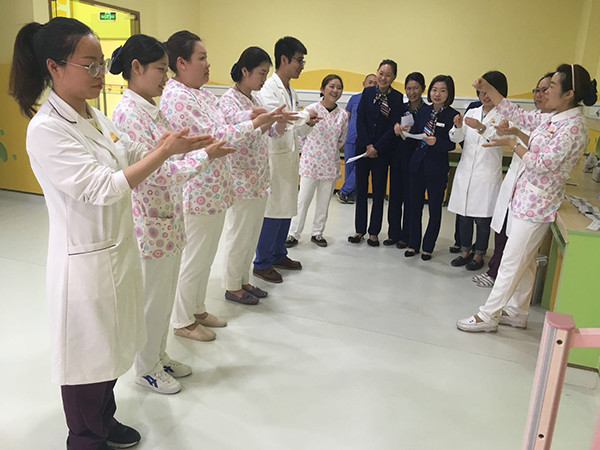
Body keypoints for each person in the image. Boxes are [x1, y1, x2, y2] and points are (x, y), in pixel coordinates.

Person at [10, 17, 211, 450]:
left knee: (111, 349)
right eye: (90, 65)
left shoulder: (93, 115)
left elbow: (125, 150)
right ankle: (85, 437)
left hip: (115, 250)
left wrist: (171, 147)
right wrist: (163, 153)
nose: (101, 73)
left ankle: (105, 418)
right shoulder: (46, 129)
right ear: (54, 67)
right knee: (86, 358)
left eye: (101, 63)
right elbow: (102, 187)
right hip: (82, 262)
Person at [111, 35, 233, 394]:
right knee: (151, 298)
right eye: (161, 69)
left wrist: (191, 149)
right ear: (136, 68)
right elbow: (157, 171)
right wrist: (204, 156)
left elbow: (169, 154)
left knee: (163, 296)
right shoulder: (128, 114)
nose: (166, 77)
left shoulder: (152, 108)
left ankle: (158, 355)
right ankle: (145, 367)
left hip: (167, 215)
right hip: (149, 220)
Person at [457, 64, 597, 332]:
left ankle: (488, 316)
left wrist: (513, 144)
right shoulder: (554, 118)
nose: (545, 92)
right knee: (526, 260)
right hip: (524, 198)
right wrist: (490, 90)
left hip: (538, 204)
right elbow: (518, 115)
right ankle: (517, 312)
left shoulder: (573, 126)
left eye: (552, 86)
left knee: (511, 261)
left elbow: (543, 164)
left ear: (568, 93)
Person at [161, 31, 281, 338]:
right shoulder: (177, 96)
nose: (208, 64)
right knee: (194, 258)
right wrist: (254, 123)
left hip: (214, 189)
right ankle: (182, 320)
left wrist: (250, 115)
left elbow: (222, 121)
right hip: (197, 189)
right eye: (201, 58)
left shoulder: (199, 94)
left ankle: (197, 308)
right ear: (181, 63)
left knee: (205, 258)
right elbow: (215, 136)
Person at [219, 46, 293, 303]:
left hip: (259, 178)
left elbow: (272, 133)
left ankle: (243, 280)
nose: (264, 79)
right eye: (261, 73)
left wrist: (280, 121)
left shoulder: (256, 99)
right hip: (239, 178)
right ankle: (231, 286)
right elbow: (235, 130)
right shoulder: (228, 100)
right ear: (245, 71)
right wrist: (261, 118)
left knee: (251, 235)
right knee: (239, 234)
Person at [472, 73, 553, 288]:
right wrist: (511, 133)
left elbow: (537, 155)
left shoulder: (557, 125)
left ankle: (501, 278)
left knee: (515, 240)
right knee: (501, 229)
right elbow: (513, 129)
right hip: (514, 182)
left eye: (546, 89)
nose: (539, 95)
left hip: (532, 190)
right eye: (537, 90)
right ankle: (494, 271)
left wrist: (512, 140)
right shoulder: (533, 117)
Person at [252, 36, 318, 283]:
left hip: (288, 157)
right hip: (273, 158)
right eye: (299, 60)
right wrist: (304, 116)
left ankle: (279, 253)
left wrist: (308, 123)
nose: (302, 66)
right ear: (284, 59)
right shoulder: (268, 89)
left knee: (287, 207)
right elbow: (278, 121)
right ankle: (262, 262)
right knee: (273, 209)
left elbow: (294, 128)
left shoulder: (291, 90)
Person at [447, 71, 508, 271]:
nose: (485, 96)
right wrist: (457, 127)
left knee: (482, 219)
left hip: (486, 174)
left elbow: (499, 140)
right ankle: (465, 252)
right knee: (464, 216)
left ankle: (479, 254)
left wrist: (482, 128)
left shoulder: (505, 116)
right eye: (482, 91)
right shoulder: (472, 112)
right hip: (467, 171)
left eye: (489, 91)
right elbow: (457, 138)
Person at [400, 75, 459, 260]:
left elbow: (452, 144)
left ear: (449, 93)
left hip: (437, 168)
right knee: (414, 207)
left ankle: (428, 247)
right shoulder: (424, 111)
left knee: (434, 209)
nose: (437, 94)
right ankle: (413, 244)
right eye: (434, 90)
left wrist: (436, 142)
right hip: (417, 165)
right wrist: (407, 132)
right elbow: (417, 131)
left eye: (442, 90)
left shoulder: (452, 115)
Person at [286, 74, 349, 247]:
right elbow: (301, 135)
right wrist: (309, 151)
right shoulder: (311, 110)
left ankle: (317, 233)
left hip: (330, 163)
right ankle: (293, 233)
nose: (335, 90)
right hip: (311, 162)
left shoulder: (342, 115)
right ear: (322, 89)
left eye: (339, 87)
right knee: (302, 200)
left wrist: (329, 149)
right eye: (331, 86)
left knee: (324, 201)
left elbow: (341, 139)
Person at [348, 59, 405, 246]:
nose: (383, 78)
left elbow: (393, 127)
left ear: (393, 77)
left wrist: (377, 147)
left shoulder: (397, 98)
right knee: (361, 190)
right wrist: (367, 145)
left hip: (382, 152)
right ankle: (359, 230)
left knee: (378, 192)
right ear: (377, 72)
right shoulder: (367, 93)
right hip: (363, 149)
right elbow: (360, 120)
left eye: (388, 75)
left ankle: (374, 232)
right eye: (381, 73)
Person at [388, 71, 426, 248]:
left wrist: (411, 132)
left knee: (411, 199)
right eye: (409, 88)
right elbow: (391, 130)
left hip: (416, 160)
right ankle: (393, 233)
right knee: (395, 196)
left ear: (423, 89)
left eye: (415, 88)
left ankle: (407, 235)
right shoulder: (400, 108)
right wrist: (397, 130)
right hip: (398, 157)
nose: (412, 92)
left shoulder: (427, 111)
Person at [337, 73, 376, 204]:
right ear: (364, 83)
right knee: (349, 167)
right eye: (370, 82)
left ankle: (344, 191)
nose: (372, 85)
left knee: (358, 168)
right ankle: (350, 194)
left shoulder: (377, 101)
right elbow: (346, 116)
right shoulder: (354, 98)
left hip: (365, 140)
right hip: (350, 138)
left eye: (375, 83)